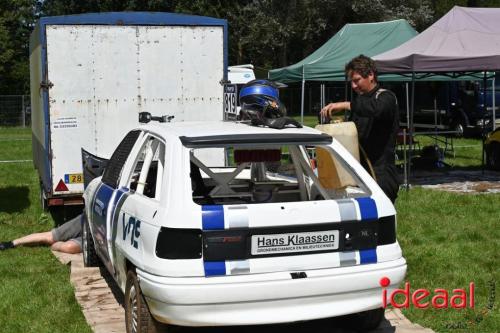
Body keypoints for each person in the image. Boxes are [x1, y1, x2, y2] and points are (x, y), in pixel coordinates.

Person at [320, 55, 401, 202]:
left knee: (381, 222)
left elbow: (377, 110)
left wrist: (347, 105)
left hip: (381, 174)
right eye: (351, 81)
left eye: (357, 80)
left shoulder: (386, 97)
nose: (353, 86)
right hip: (361, 172)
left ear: (371, 75)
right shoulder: (360, 102)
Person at [0, 214, 82, 253]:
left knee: (69, 247)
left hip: (93, 237)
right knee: (50, 237)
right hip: (89, 220)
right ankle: (12, 243)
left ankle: (57, 245)